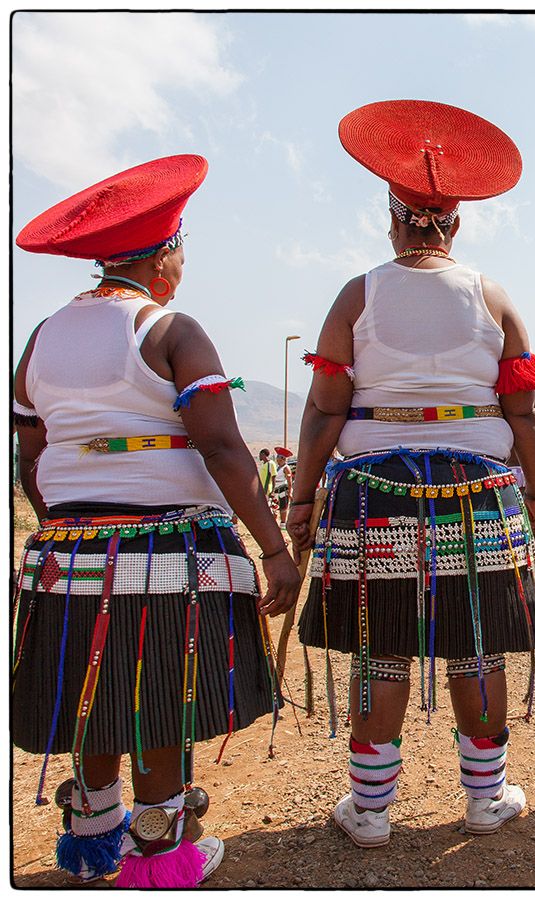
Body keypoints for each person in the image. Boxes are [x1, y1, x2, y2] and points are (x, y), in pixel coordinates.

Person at [11, 155, 301, 886]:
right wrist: (273, 547)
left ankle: (90, 839)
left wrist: (65, 528)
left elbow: (32, 448)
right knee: (154, 700)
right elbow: (222, 444)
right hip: (166, 547)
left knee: (94, 690)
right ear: (164, 255)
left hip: (67, 550)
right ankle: (161, 856)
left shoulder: (41, 338)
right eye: (182, 250)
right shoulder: (169, 328)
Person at [286, 100, 535, 847]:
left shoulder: (357, 293)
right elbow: (523, 412)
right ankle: (485, 798)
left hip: (375, 494)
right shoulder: (491, 295)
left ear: (392, 218)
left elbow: (322, 410)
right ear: (455, 225)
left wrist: (302, 499)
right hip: (478, 490)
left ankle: (369, 812)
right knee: (477, 642)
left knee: (382, 643)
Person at [273, 447, 294, 525]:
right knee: (275, 505)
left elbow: (289, 479)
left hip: (283, 488)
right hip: (276, 488)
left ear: (282, 458)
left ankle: (283, 523)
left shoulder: (286, 468)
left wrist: (290, 490)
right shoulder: (278, 467)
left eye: (278, 457)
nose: (277, 459)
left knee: (283, 505)